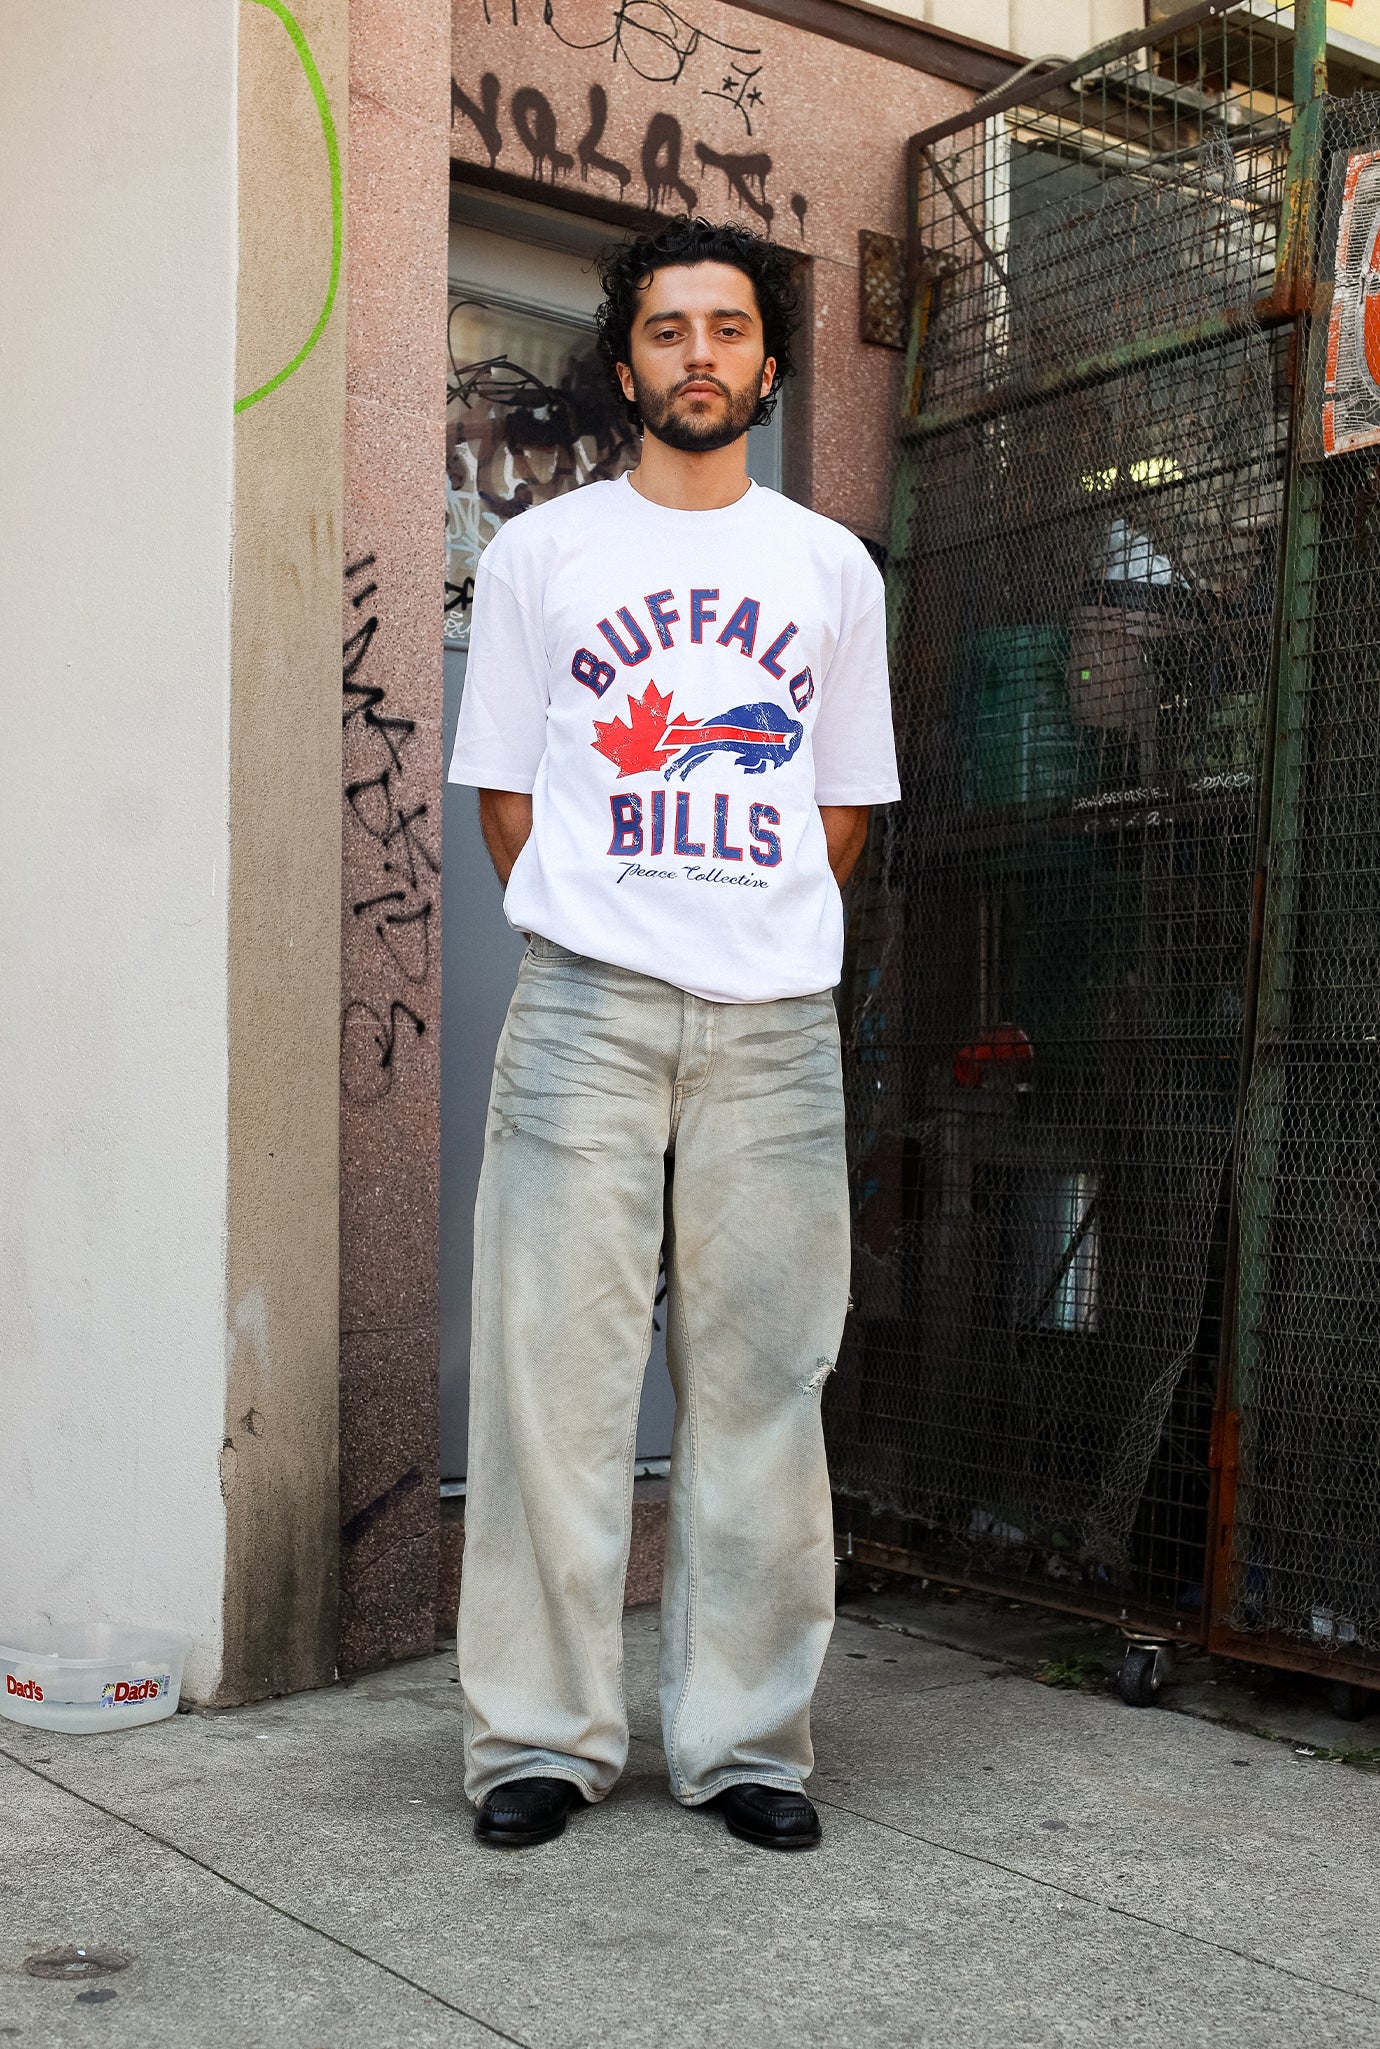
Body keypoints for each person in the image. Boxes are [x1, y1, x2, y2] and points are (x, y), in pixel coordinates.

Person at [447, 216, 899, 1852]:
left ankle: (746, 1739)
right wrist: (625, 926)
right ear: (623, 359)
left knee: (767, 1386)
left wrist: (739, 926)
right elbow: (511, 798)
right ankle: (539, 1740)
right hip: (585, 1011)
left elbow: (840, 809)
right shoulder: (542, 559)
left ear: (768, 365)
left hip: (775, 1027)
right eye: (665, 329)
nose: (696, 355)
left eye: (727, 329)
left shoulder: (829, 567)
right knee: (547, 1383)